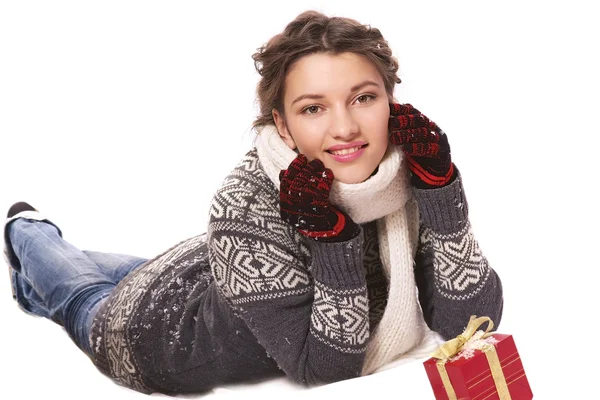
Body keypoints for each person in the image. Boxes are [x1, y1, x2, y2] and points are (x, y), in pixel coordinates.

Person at [3, 9, 503, 395]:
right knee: (83, 294)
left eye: (363, 98)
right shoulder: (242, 205)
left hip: (201, 272)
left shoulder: (406, 166)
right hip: (150, 335)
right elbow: (325, 369)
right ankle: (25, 230)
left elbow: (470, 322)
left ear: (391, 101)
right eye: (313, 108)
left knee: (131, 271)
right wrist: (330, 240)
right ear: (281, 123)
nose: (346, 128)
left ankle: (38, 266)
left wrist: (440, 192)